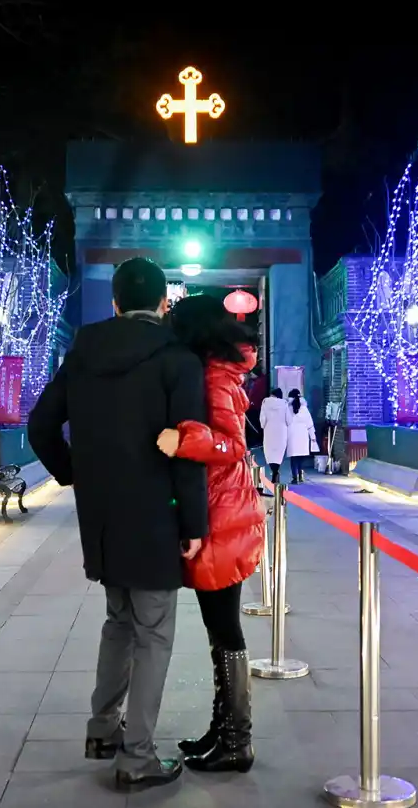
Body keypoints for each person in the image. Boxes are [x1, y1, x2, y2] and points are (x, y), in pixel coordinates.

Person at [28, 257, 209, 794]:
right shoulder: (177, 359)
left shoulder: (82, 351)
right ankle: (137, 757)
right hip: (156, 514)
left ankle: (103, 729)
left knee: (119, 622)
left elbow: (41, 426)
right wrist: (194, 521)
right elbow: (189, 448)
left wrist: (75, 474)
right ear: (162, 303)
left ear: (113, 304)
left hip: (103, 516)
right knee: (154, 632)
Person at [154, 295, 267, 774]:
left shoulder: (215, 375)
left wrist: (185, 440)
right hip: (225, 506)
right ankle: (222, 731)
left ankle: (237, 741)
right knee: (219, 630)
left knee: (225, 630)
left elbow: (232, 443)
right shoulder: (217, 369)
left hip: (223, 513)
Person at [285, 388, 317, 483]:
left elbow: (285, 422)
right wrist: (313, 437)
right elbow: (310, 424)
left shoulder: (288, 408)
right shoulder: (305, 409)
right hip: (303, 436)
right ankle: (300, 474)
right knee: (300, 458)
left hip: (292, 435)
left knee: (293, 458)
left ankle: (295, 478)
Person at [260, 387, 289, 485]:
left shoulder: (265, 403)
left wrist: (263, 426)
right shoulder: (285, 404)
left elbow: (262, 420)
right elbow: (289, 420)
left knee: (270, 453)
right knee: (278, 454)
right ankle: (276, 473)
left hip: (269, 431)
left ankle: (274, 473)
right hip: (281, 432)